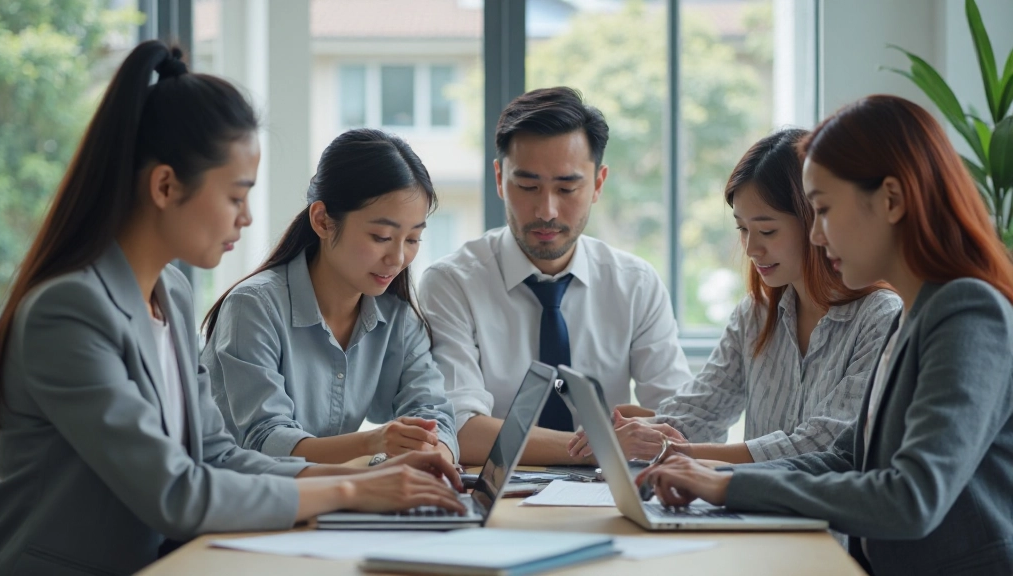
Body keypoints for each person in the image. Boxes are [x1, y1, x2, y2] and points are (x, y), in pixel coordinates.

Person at [0, 41, 462, 576]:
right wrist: (354, 488)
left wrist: (371, 480)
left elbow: (218, 455)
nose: (247, 218)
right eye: (236, 197)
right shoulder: (68, 311)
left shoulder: (170, 292)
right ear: (165, 186)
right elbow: (176, 492)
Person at [637, 95, 1013, 576]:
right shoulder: (914, 313)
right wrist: (714, 474)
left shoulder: (967, 311)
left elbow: (911, 498)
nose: (817, 235)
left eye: (824, 209)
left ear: (892, 200)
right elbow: (843, 457)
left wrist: (728, 485)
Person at [567, 129, 900, 464]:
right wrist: (634, 431)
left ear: (815, 222)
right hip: (755, 497)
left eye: (767, 230)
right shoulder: (756, 313)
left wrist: (674, 450)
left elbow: (823, 444)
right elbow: (702, 410)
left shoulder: (881, 318)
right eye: (742, 228)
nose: (751, 248)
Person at [419, 87, 693, 465]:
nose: (546, 210)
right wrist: (601, 446)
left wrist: (642, 434)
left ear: (598, 184)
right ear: (499, 178)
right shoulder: (452, 284)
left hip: (607, 492)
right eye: (528, 186)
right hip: (498, 492)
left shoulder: (636, 284)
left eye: (567, 188)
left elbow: (681, 419)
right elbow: (458, 430)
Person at [200, 129, 458, 465]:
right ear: (322, 221)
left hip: (330, 492)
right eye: (381, 236)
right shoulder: (253, 307)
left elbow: (435, 415)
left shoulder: (397, 317)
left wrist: (434, 457)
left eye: (412, 239)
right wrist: (373, 444)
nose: (397, 259)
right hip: (243, 494)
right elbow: (266, 441)